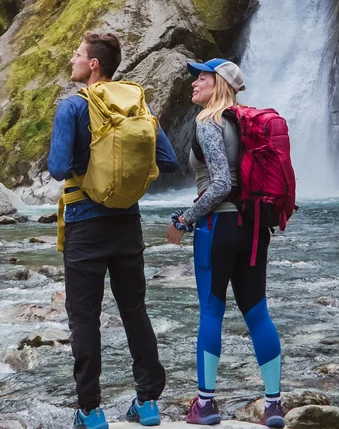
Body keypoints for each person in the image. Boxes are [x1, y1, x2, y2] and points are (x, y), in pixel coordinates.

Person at [48, 31, 180, 429]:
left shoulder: (72, 106)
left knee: (84, 318)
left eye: (77, 55)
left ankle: (90, 410)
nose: (72, 60)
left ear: (93, 65)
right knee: (134, 311)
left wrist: (82, 164)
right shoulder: (136, 105)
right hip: (127, 224)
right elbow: (169, 162)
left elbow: (56, 168)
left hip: (84, 225)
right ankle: (149, 403)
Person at [165, 58, 286, 427]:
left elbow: (220, 184)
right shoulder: (245, 123)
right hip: (252, 229)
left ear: (218, 84)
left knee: (211, 312)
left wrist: (185, 219)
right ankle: (274, 405)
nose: (194, 83)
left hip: (218, 227)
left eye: (201, 77)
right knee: (257, 312)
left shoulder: (208, 123)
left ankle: (205, 405)